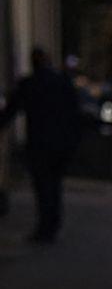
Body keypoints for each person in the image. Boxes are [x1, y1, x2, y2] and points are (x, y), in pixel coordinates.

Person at [0, 48, 83, 243]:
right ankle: (52, 223)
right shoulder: (62, 83)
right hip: (60, 143)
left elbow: (11, 110)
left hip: (39, 143)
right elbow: (75, 113)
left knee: (44, 186)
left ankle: (46, 226)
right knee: (54, 185)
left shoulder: (30, 85)